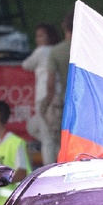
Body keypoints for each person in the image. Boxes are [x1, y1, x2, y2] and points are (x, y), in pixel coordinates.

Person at [22, 23, 61, 152]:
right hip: (59, 95)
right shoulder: (58, 50)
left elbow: (26, 65)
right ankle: (58, 152)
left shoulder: (42, 51)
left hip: (44, 96)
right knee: (35, 127)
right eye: (37, 36)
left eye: (41, 36)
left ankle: (50, 166)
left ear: (49, 37)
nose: (38, 39)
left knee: (46, 137)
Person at [43, 10, 74, 165]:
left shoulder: (57, 52)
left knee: (62, 144)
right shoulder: (88, 49)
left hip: (64, 105)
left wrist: (45, 105)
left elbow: (50, 84)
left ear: (64, 26)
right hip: (86, 105)